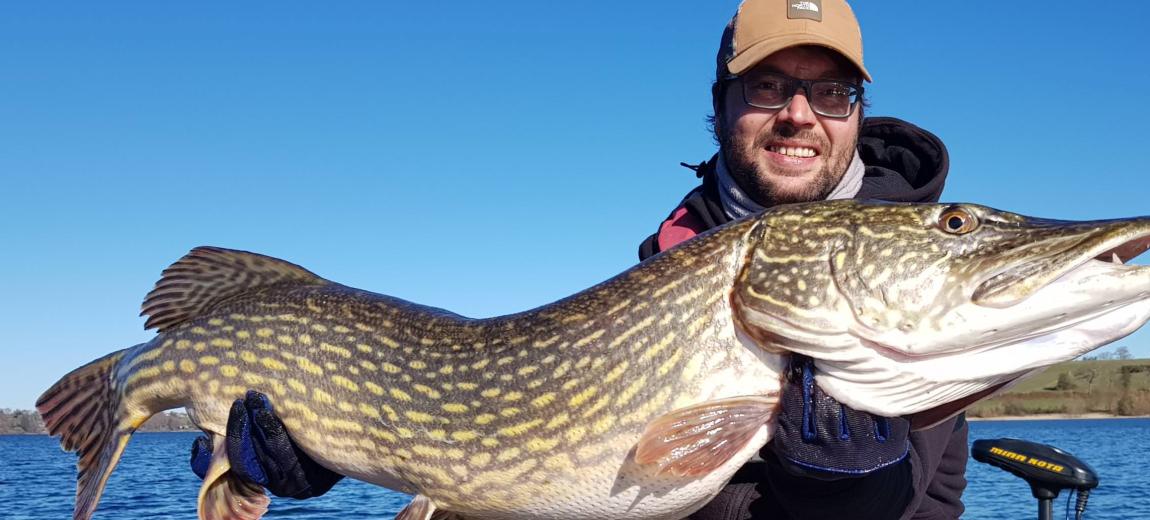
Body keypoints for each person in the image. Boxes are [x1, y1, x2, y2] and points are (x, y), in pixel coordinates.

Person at [191, 1, 967, 518]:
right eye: (768, 86)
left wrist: (843, 498)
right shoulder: (666, 269)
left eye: (830, 92)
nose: (799, 114)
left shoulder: (910, 270)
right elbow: (582, 485)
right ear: (722, 103)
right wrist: (336, 440)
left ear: (857, 113)